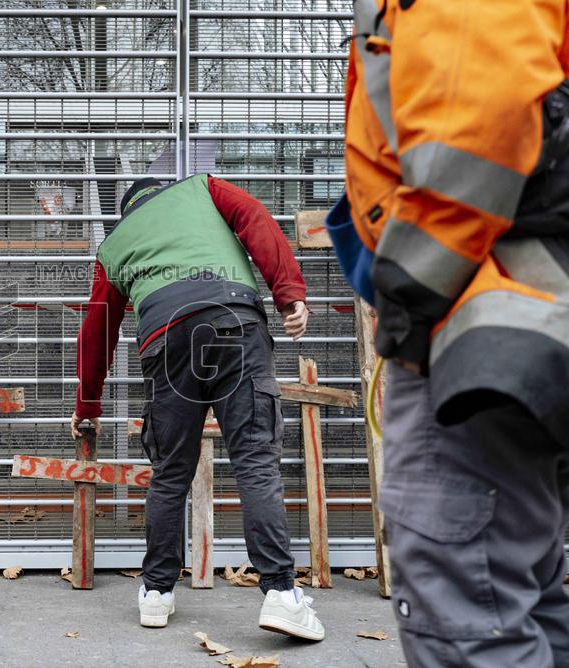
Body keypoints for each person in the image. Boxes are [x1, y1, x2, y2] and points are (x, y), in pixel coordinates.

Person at [342, 1, 569, 665]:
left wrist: (411, 305)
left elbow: (478, 129)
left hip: (483, 322)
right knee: (517, 586)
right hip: (521, 319)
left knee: (467, 606)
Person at [69, 173, 324, 641]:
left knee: (170, 471)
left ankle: (156, 592)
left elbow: (97, 328)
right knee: (255, 461)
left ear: (128, 211)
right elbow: (255, 218)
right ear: (161, 191)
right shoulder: (203, 188)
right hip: (234, 323)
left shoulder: (114, 245)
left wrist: (88, 404)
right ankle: (282, 596)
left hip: (167, 341)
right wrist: (288, 291)